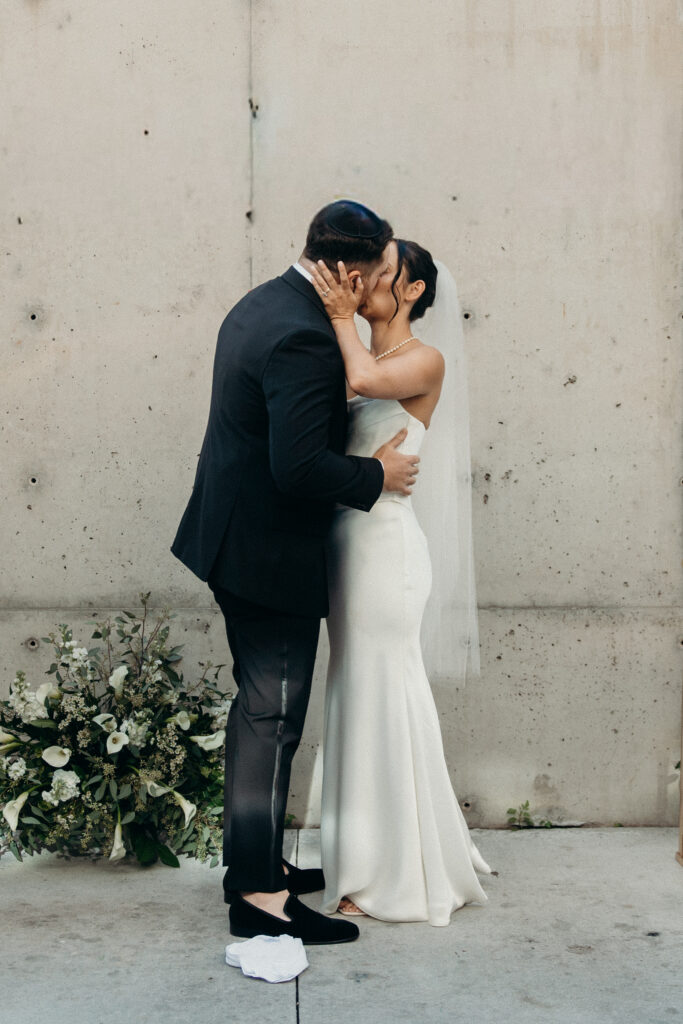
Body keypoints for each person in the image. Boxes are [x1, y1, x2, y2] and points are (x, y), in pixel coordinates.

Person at [171, 201, 420, 945]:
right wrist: (374, 474)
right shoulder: (304, 339)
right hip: (264, 554)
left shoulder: (262, 301)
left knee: (259, 714)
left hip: (232, 535)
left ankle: (256, 861)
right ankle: (257, 899)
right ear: (348, 271)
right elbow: (299, 467)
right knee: (270, 717)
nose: (379, 285)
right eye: (376, 273)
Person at [309, 240, 492, 926]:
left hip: (385, 552)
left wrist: (336, 317)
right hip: (344, 548)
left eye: (382, 273)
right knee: (354, 692)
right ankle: (358, 857)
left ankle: (396, 870)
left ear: (412, 291)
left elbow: (356, 381)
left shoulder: (422, 360)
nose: (364, 281)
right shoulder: (371, 355)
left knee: (385, 689)